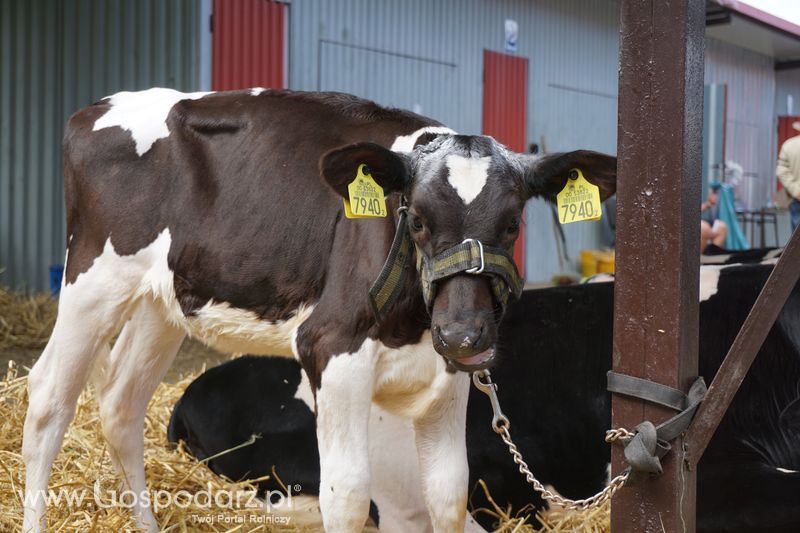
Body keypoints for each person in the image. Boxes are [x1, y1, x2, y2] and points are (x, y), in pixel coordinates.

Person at [776, 121, 800, 231]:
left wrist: (795, 190)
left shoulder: (789, 145)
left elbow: (781, 171)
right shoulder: (789, 145)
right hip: (796, 198)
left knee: (797, 237)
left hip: (795, 197)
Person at [700, 185, 728, 253]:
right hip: (693, 222)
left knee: (722, 227)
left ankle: (712, 256)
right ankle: (698, 259)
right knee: (704, 228)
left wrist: (708, 203)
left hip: (703, 220)